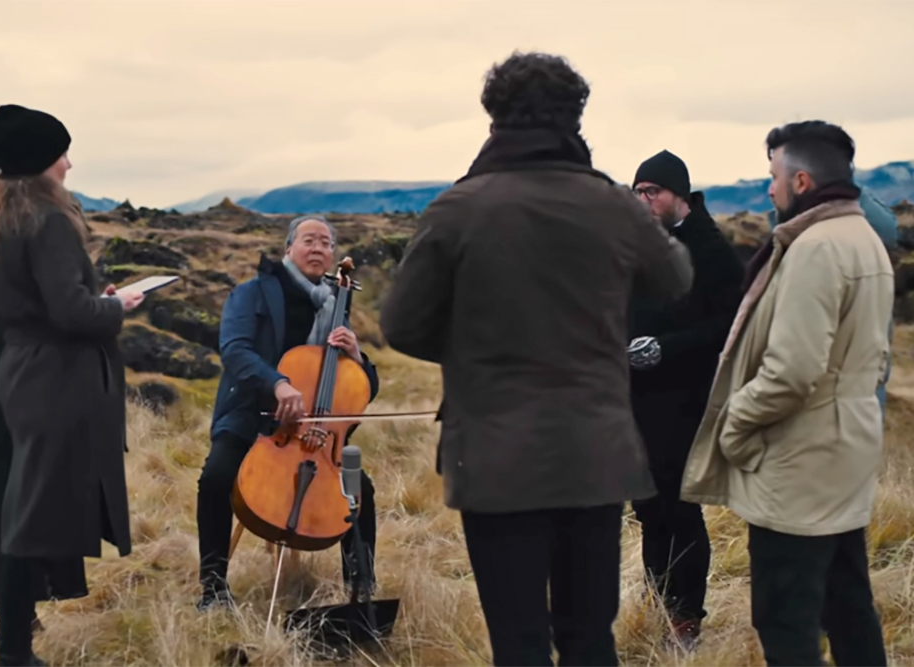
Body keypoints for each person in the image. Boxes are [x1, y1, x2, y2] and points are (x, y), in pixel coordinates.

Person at [380, 51, 694, 666]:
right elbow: (676, 278)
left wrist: (477, 354)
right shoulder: (611, 204)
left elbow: (401, 325)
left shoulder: (459, 208)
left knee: (518, 643)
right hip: (594, 452)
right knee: (589, 640)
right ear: (576, 115)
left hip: (495, 457)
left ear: (493, 115)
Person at [681, 120, 892, 666]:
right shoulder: (862, 237)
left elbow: (792, 370)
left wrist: (734, 421)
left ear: (801, 180)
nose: (767, 189)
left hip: (802, 460)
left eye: (773, 175)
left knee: (785, 617)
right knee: (848, 604)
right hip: (843, 451)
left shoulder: (817, 248)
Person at [0, 103, 144, 666]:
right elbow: (70, 313)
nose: (68, 163)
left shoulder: (0, 214)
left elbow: (38, 304)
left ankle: (16, 646)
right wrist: (117, 306)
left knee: (28, 512)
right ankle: (15, 652)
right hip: (56, 380)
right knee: (30, 521)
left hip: (26, 372)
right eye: (60, 152)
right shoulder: (46, 220)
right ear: (42, 160)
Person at [195, 214, 380, 611]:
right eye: (309, 240)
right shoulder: (252, 293)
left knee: (358, 487)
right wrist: (277, 382)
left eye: (327, 243)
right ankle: (213, 589)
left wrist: (356, 357)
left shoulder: (336, 305)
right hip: (252, 415)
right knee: (216, 478)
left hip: (313, 432)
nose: (319, 249)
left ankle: (361, 591)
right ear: (288, 249)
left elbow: (361, 391)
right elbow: (235, 351)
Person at [627, 150, 744, 648]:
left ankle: (686, 616)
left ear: (680, 194)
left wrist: (665, 348)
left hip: (688, 400)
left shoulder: (712, 249)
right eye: (638, 192)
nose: (644, 201)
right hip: (637, 398)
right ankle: (658, 606)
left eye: (652, 191)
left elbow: (729, 325)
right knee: (648, 506)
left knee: (680, 506)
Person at [767, 186, 898, 414]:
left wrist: (843, 183)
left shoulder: (853, 204)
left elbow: (888, 230)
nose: (770, 190)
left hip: (854, 396)